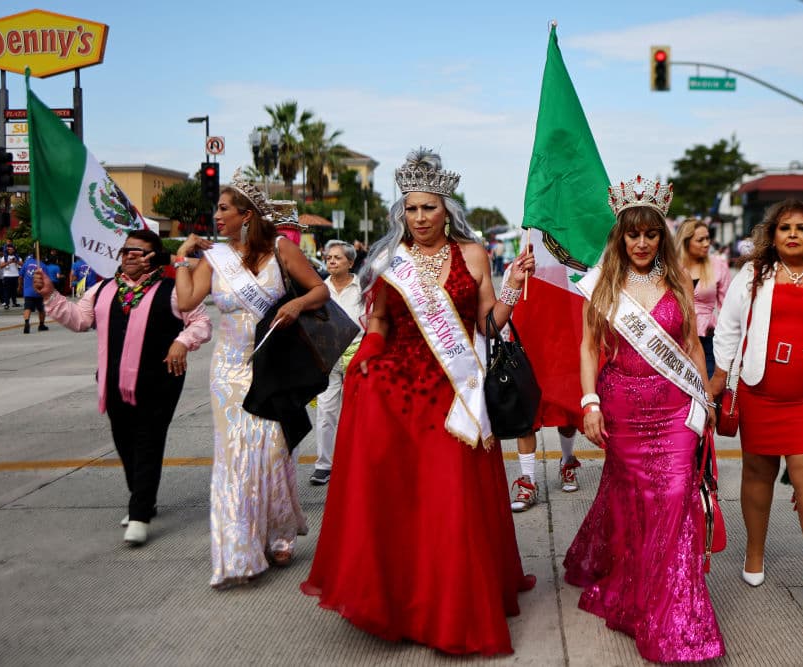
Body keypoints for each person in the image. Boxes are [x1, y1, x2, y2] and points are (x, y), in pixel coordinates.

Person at [301, 148, 536, 655]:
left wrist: (513, 290)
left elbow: (486, 327)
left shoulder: (473, 255)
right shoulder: (389, 260)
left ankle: (447, 606)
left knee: (448, 501)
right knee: (403, 500)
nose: (421, 218)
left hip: (453, 394)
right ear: (401, 211)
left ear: (446, 208)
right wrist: (366, 358)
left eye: (429, 208)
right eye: (412, 209)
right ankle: (401, 600)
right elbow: (380, 322)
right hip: (396, 391)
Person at [565, 177, 725, 663]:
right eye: (632, 234)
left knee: (675, 499)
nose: (640, 242)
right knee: (634, 504)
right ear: (621, 236)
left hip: (674, 406)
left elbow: (693, 347)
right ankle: (633, 589)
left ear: (661, 236)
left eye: (650, 234)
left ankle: (675, 611)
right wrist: (589, 401)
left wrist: (706, 401)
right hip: (623, 409)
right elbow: (589, 347)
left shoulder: (677, 278)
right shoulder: (604, 283)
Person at [174, 169, 329, 588]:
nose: (217, 216)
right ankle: (238, 550)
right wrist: (181, 260)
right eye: (217, 209)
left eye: (223, 208)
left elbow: (320, 291)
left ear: (246, 215)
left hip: (271, 365)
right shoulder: (214, 259)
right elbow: (187, 301)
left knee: (271, 452)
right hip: (228, 371)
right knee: (233, 460)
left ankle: (278, 531)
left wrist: (296, 306)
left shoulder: (280, 249)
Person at [710, 198, 803, 614]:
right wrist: (719, 379)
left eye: (800, 228)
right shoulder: (753, 274)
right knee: (757, 476)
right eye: (784, 228)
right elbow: (726, 330)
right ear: (772, 234)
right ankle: (754, 554)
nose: (792, 234)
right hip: (760, 396)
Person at [33, 229, 211, 545]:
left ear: (155, 258)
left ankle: (140, 513)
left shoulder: (172, 290)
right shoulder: (102, 291)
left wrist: (182, 342)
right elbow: (78, 320)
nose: (130, 255)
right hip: (114, 381)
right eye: (127, 250)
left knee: (148, 441)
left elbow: (200, 322)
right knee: (125, 442)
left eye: (140, 251)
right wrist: (50, 295)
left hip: (159, 383)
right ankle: (143, 498)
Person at [309, 240, 363, 486]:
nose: (331, 261)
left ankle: (357, 463)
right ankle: (324, 465)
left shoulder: (363, 288)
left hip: (358, 357)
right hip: (328, 358)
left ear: (350, 262)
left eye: (337, 258)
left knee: (357, 414)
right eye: (328, 257)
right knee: (326, 412)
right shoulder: (320, 289)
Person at [678, 218, 732, 379]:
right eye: (700, 240)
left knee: (707, 388)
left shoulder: (719, 266)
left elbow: (727, 307)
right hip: (676, 338)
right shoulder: (671, 267)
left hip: (707, 338)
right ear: (686, 241)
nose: (707, 243)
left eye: (708, 238)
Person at [20, 254, 49, 334]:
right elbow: (46, 279)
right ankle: (41, 325)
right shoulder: (43, 265)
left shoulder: (26, 263)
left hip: (28, 291)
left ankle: (26, 322)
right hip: (38, 291)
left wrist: (20, 286)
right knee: (41, 309)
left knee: (27, 307)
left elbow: (20, 276)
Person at [0, 243, 22, 309]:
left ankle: (14, 303)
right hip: (7, 276)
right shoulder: (4, 258)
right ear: (7, 250)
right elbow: (1, 266)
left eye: (12, 249)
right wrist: (9, 262)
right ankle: (7, 304)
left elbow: (22, 264)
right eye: (9, 249)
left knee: (14, 290)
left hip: (15, 275)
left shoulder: (18, 257)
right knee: (7, 291)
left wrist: (16, 261)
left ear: (14, 250)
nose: (11, 250)